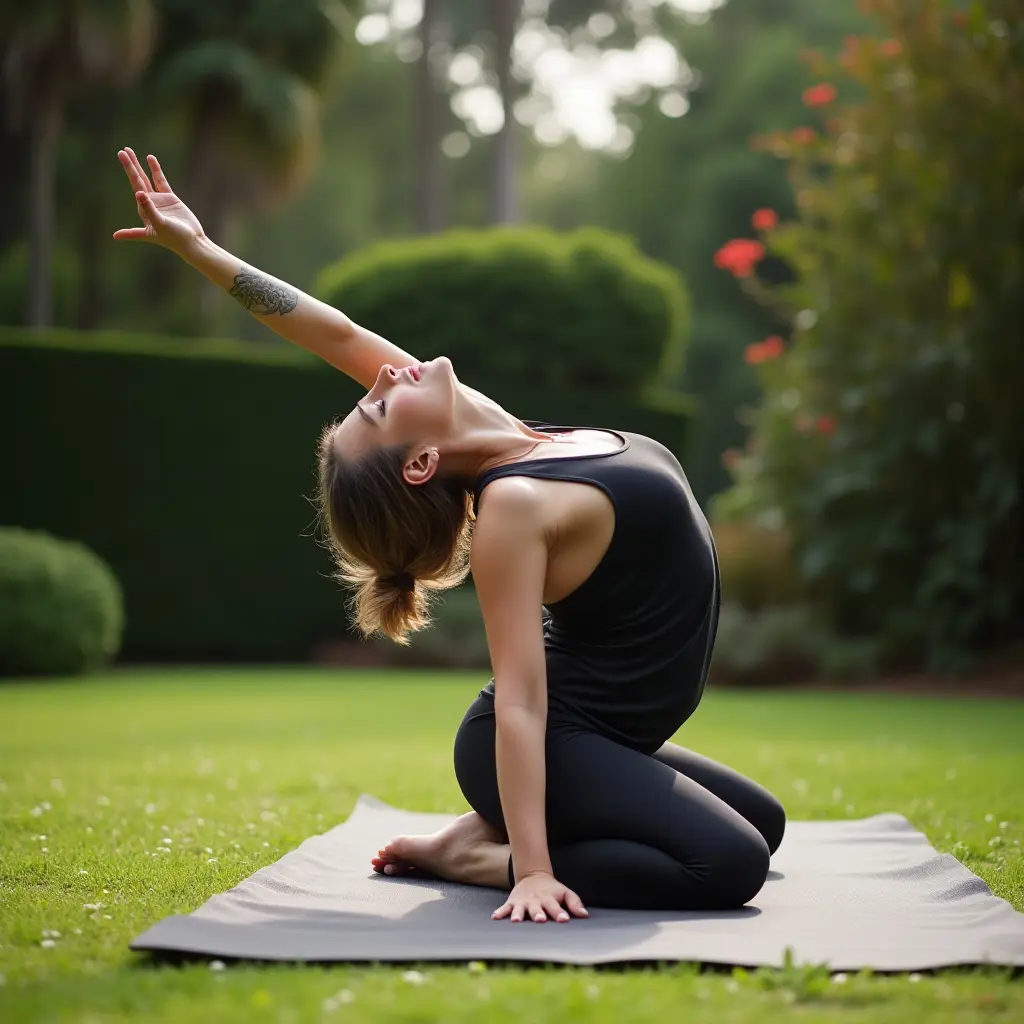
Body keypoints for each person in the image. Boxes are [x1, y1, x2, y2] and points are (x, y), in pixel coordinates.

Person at [114, 147, 786, 926]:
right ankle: (481, 853)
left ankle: (479, 837)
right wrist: (530, 871)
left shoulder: (505, 430)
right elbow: (524, 702)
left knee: (761, 825)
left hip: (607, 732)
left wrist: (201, 249)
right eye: (377, 407)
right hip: (551, 737)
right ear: (422, 460)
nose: (383, 378)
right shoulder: (514, 507)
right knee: (727, 862)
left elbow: (334, 332)